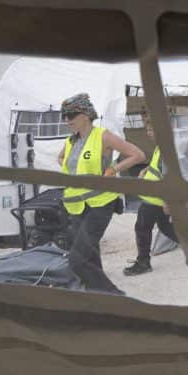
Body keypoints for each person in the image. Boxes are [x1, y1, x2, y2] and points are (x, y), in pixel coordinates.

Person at [56, 93, 145, 295]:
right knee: (90, 254)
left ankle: (115, 296)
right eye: (64, 116)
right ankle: (98, 295)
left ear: (85, 115)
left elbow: (138, 154)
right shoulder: (71, 141)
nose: (66, 120)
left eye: (70, 115)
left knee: (77, 260)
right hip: (75, 205)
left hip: (99, 204)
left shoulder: (102, 136)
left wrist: (113, 169)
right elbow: (60, 158)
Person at [123, 117, 188, 276]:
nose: (148, 133)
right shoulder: (161, 148)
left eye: (152, 130)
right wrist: (146, 170)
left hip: (155, 198)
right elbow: (159, 168)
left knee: (142, 228)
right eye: (147, 130)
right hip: (156, 197)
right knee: (165, 228)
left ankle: (143, 262)